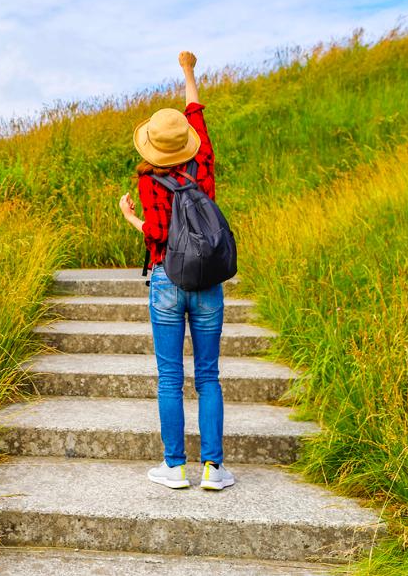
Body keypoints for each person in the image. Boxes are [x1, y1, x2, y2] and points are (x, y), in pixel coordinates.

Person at [118, 51, 235, 491]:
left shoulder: (149, 179)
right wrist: (188, 71)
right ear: (186, 140)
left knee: (170, 377)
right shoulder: (201, 163)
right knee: (208, 376)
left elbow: (157, 235)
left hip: (168, 278)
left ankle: (174, 467)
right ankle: (213, 469)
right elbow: (195, 112)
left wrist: (130, 216)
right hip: (208, 283)